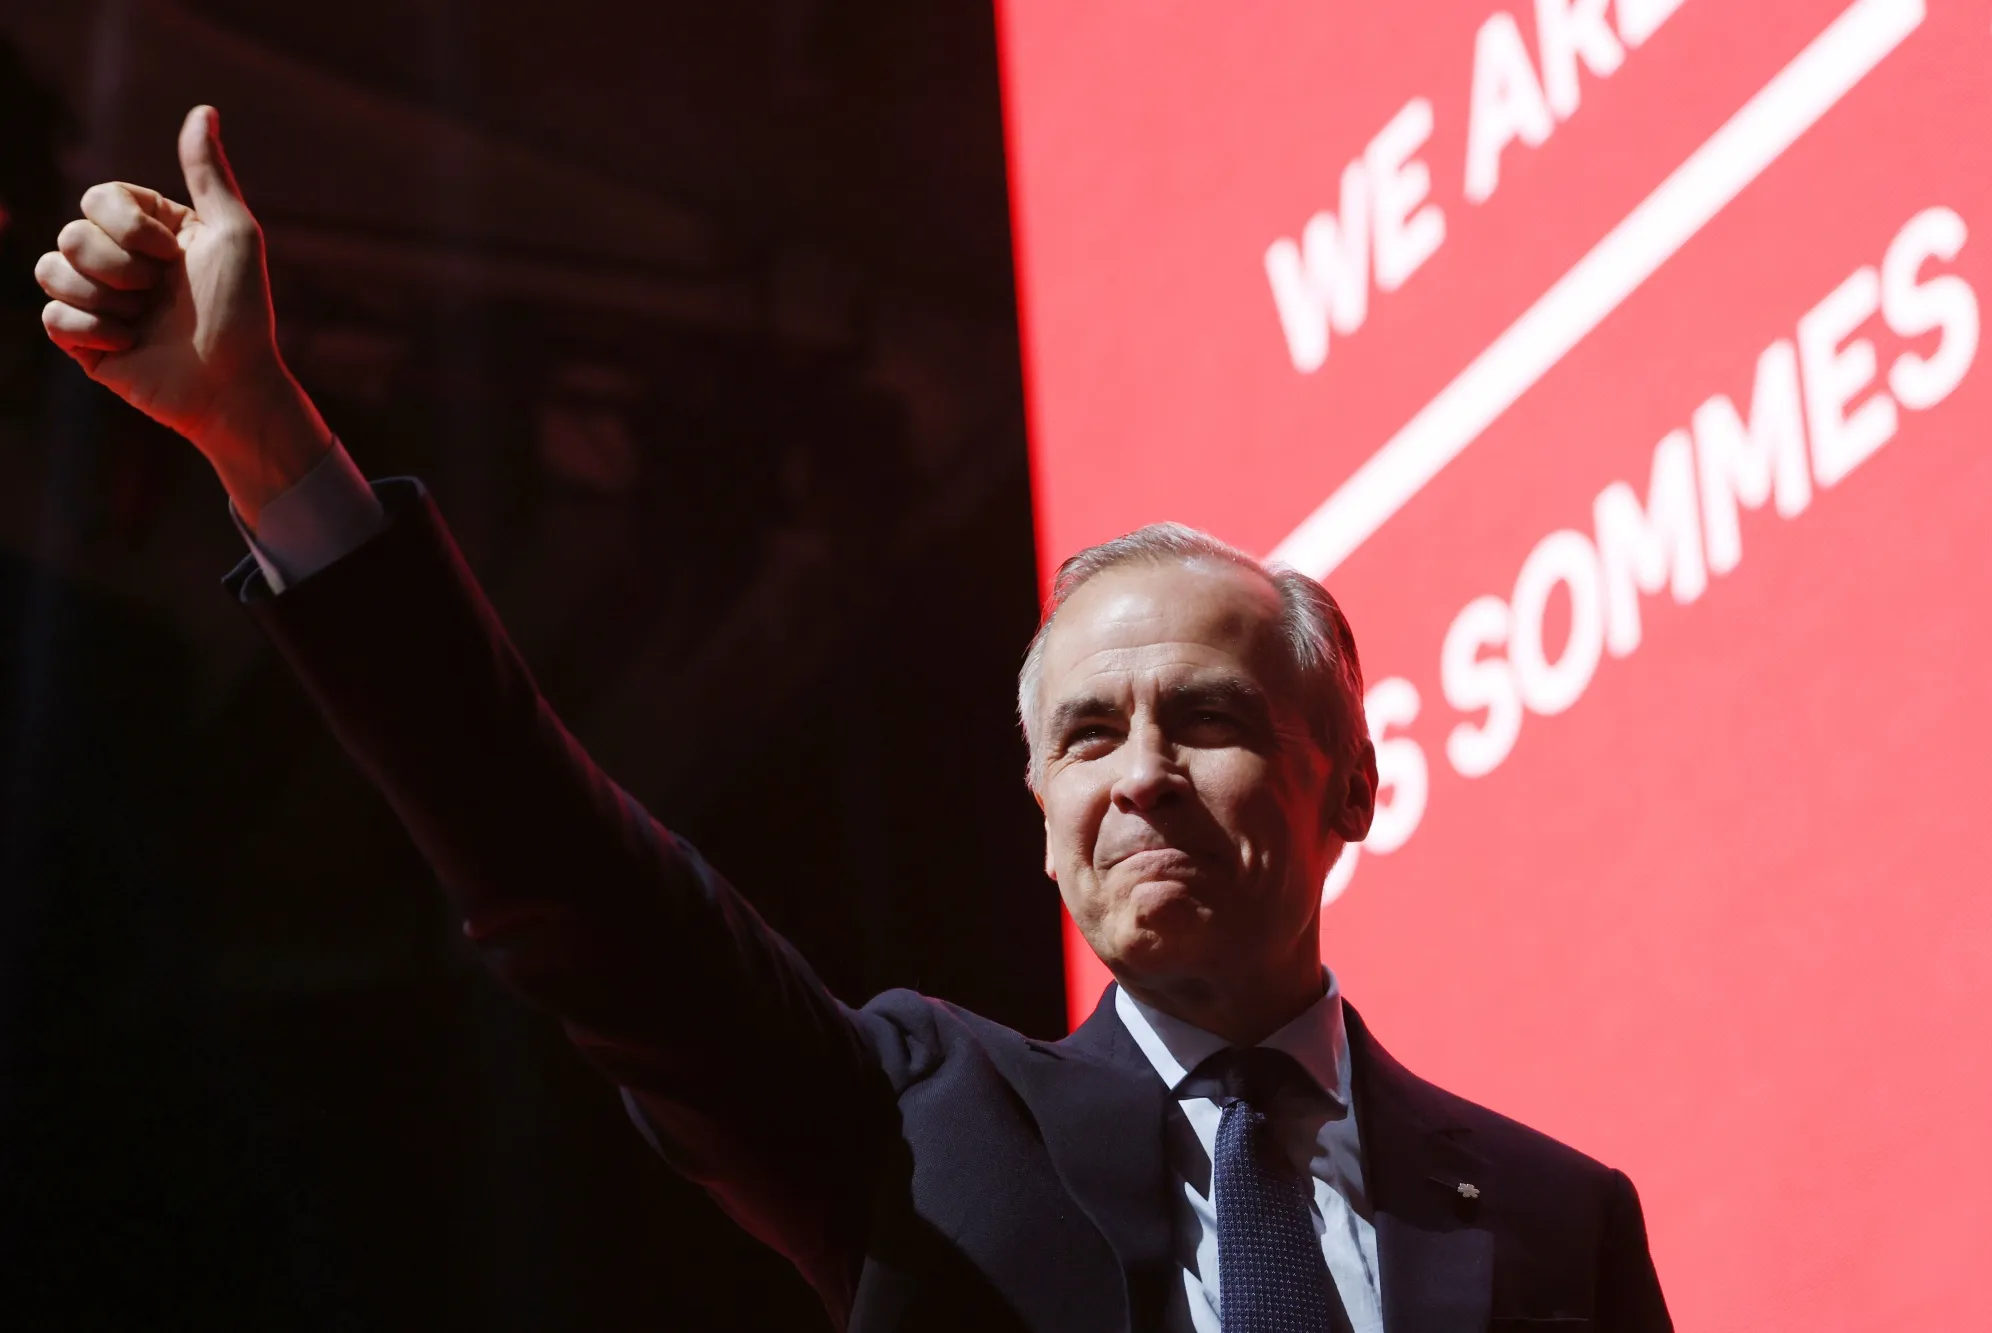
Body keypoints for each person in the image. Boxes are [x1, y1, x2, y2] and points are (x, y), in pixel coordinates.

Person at [36, 107, 1672, 1333]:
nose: (1147, 776)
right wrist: (260, 438)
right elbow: (563, 873)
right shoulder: (919, 1120)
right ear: (1037, 818)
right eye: (1088, 736)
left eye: (1213, 716)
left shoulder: (1552, 1223)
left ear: (1357, 788)